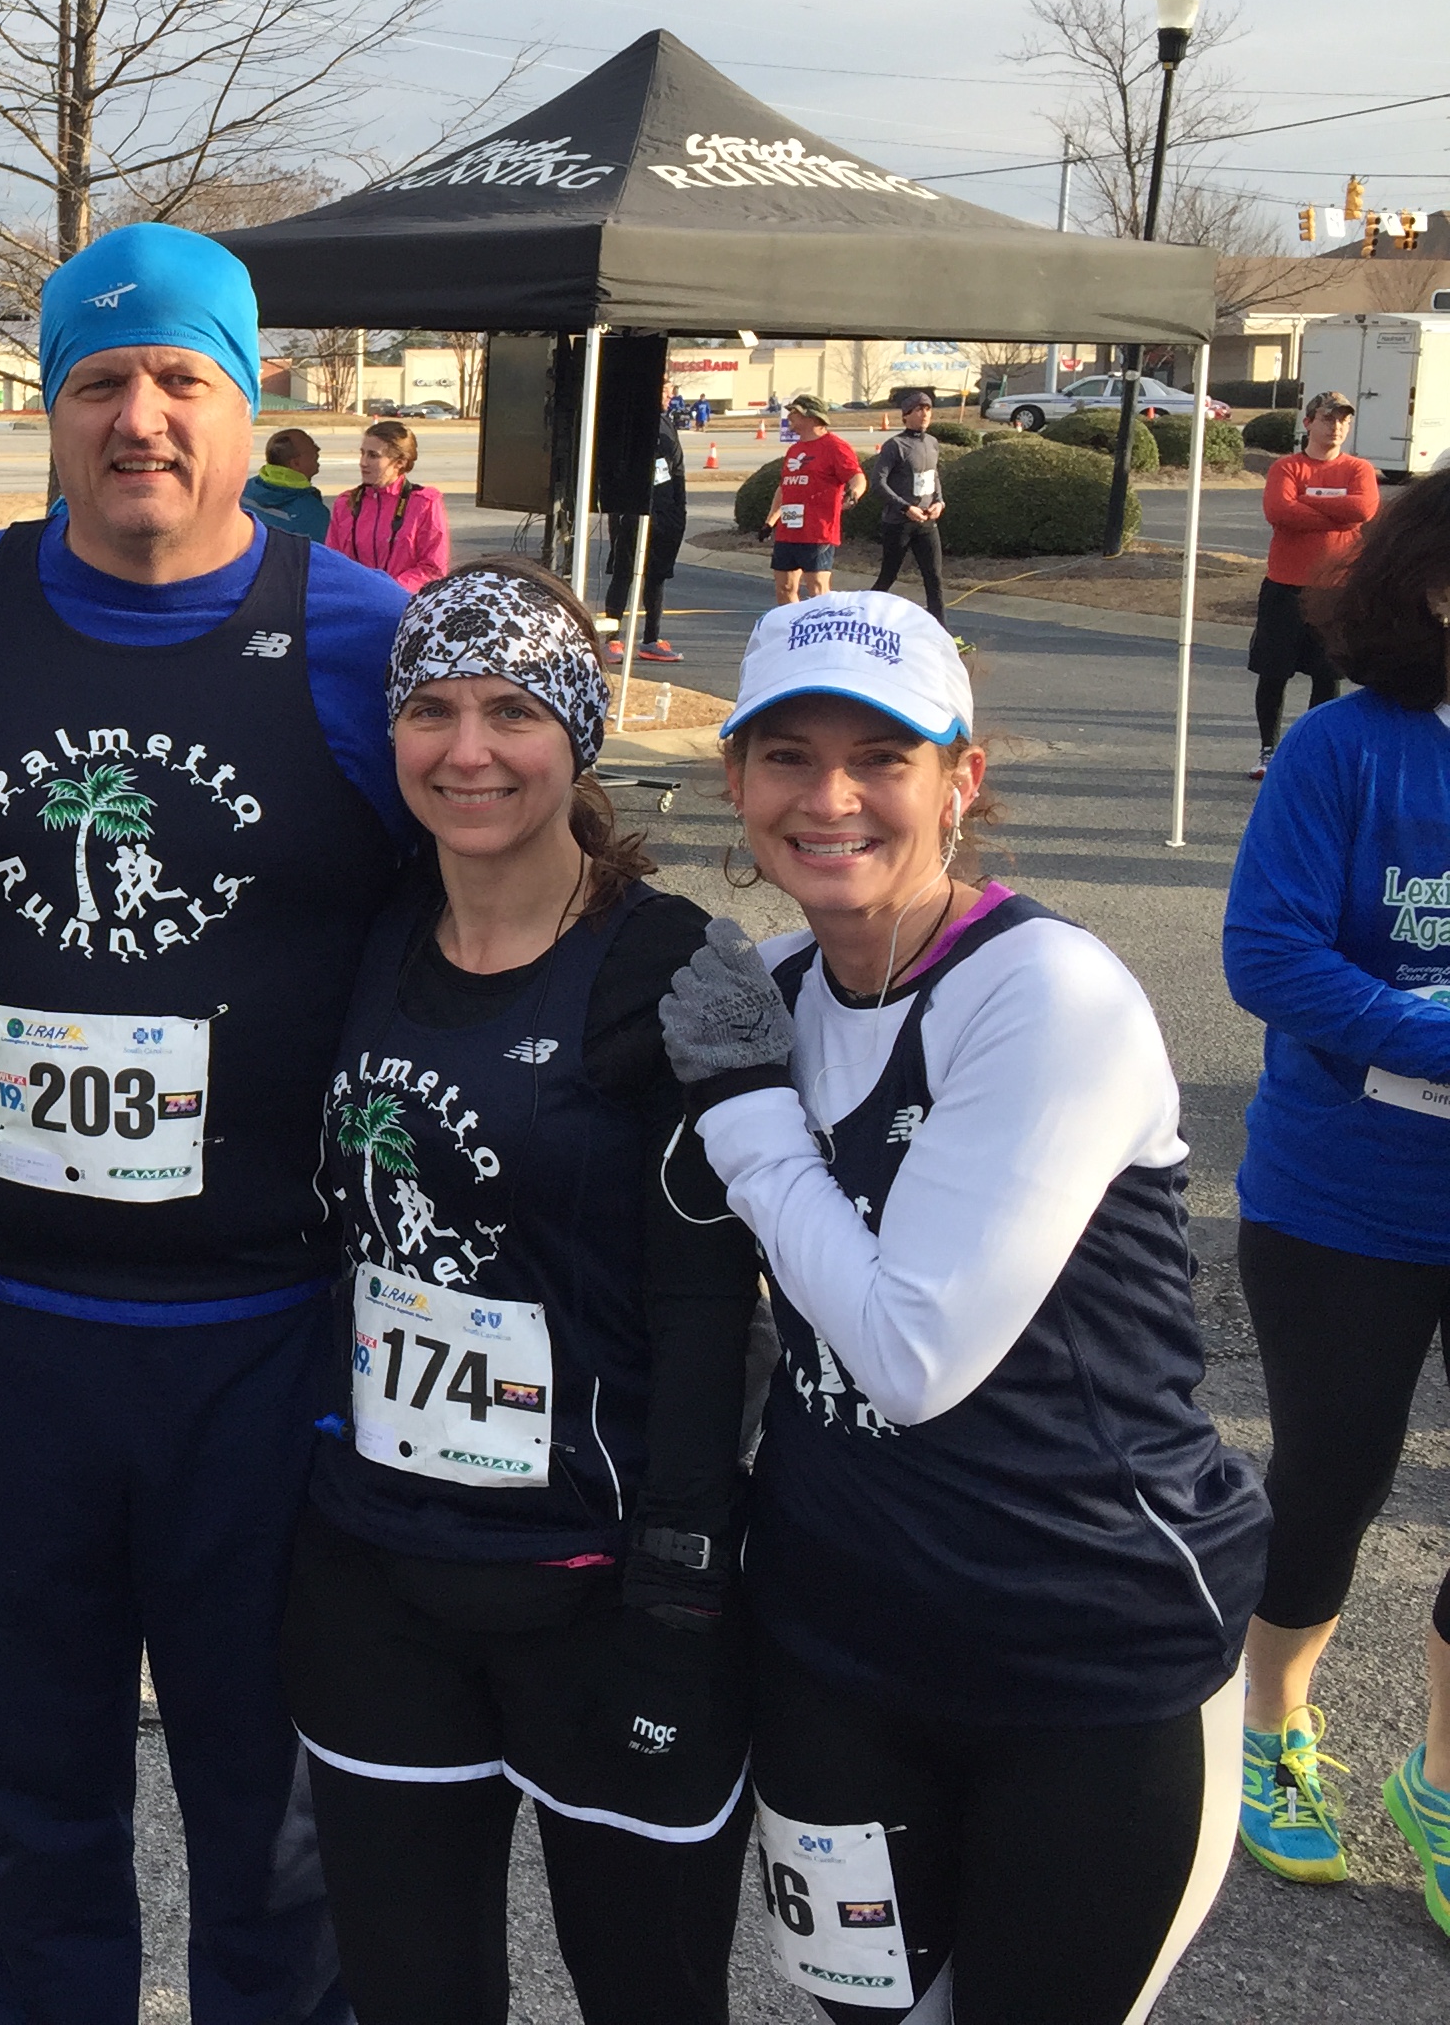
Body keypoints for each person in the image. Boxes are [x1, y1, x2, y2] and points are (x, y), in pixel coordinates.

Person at [0, 219, 411, 2025]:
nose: (138, 418)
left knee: (271, 1814)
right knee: (38, 1803)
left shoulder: (364, 636)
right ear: (48, 409)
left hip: (268, 1327)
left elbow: (490, 916)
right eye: (97, 381)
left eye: (181, 377)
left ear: (249, 405)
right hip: (7, 1321)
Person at [657, 591, 1268, 2023]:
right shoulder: (776, 988)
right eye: (787, 757)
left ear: (961, 780)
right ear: (736, 781)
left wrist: (744, 1111)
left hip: (1085, 1653)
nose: (830, 800)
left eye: (883, 758)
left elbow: (911, 1352)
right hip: (836, 1652)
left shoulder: (1048, 995)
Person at [282, 561, 760, 2025]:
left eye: (512, 712)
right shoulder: (369, 937)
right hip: (378, 1574)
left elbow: (709, 1314)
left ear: (580, 734)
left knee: (648, 1994)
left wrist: (680, 1584)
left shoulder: (666, 966)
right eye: (431, 710)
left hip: (595, 1590)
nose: (468, 750)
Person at [1218, 466, 1450, 1937]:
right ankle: (1273, 1725)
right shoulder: (1347, 751)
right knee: (1334, 1481)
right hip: (1346, 1202)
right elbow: (1270, 956)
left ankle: (1441, 1778)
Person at [1249, 390, 1377, 779]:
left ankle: (1313, 752)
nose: (1336, 426)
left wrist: (1308, 500)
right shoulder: (1287, 468)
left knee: (1327, 675)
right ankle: (1268, 751)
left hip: (1334, 590)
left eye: (1343, 420)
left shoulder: (1358, 469)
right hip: (1285, 588)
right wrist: (1336, 511)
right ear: (1308, 423)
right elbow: (1280, 511)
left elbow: (1362, 509)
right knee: (1274, 673)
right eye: (1327, 418)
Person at [599, 408, 691, 663]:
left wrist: (679, 511)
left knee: (656, 576)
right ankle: (612, 640)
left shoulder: (666, 423)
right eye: (664, 389)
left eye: (669, 389)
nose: (667, 393)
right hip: (630, 511)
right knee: (623, 573)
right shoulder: (627, 420)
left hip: (665, 511)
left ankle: (651, 640)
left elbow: (677, 470)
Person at [325, 416, 451, 591]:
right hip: (356, 600)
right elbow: (332, 563)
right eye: (362, 453)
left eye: (373, 456)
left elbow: (433, 568)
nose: (363, 462)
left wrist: (387, 590)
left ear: (399, 462)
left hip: (403, 600)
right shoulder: (345, 503)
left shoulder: (424, 503)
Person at [767, 397, 862, 604]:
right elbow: (784, 487)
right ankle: (792, 624)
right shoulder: (794, 449)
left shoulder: (835, 447)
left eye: (795, 412)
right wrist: (770, 521)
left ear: (811, 417)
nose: (790, 416)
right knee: (784, 587)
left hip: (818, 532)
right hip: (788, 531)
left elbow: (857, 477)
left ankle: (822, 624)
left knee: (817, 590)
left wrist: (853, 494)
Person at [868, 389, 950, 626]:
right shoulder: (895, 445)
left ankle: (941, 632)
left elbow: (933, 476)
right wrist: (905, 508)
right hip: (899, 523)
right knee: (888, 576)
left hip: (926, 522)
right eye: (918, 410)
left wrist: (939, 502)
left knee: (934, 578)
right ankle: (863, 619)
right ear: (905, 416)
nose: (924, 414)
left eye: (928, 409)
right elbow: (878, 484)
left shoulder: (932, 443)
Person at [244, 424, 332, 539]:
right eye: (312, 447)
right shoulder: (313, 513)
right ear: (296, 463)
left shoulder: (243, 491)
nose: (318, 450)